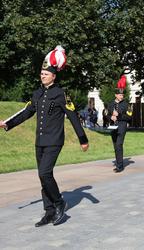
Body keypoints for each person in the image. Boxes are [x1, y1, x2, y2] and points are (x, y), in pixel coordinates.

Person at [0, 46, 89, 227]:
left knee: (45, 172)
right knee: (42, 177)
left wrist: (83, 139)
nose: (42, 76)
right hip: (40, 141)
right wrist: (8, 123)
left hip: (54, 141)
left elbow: (73, 117)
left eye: (46, 74)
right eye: (41, 73)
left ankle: (59, 202)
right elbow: (26, 112)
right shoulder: (37, 94)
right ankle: (49, 212)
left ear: (54, 76)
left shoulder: (61, 94)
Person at [106, 75, 132, 173]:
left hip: (122, 126)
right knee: (115, 145)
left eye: (122, 95)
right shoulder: (111, 104)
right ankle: (118, 163)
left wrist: (119, 115)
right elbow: (107, 115)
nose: (122, 96)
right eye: (120, 95)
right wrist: (111, 117)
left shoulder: (126, 104)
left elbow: (129, 117)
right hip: (113, 126)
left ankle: (120, 166)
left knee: (119, 145)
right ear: (116, 95)